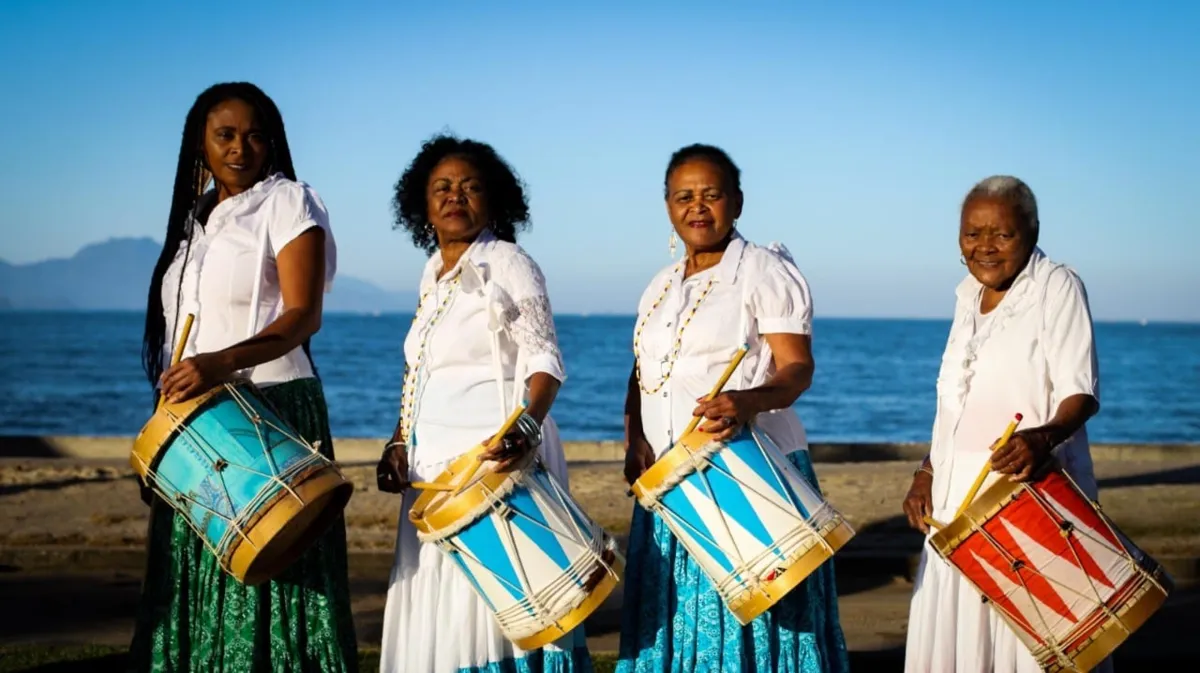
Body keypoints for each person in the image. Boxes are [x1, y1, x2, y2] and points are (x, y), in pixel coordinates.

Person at [130, 81, 358, 672]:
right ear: (199, 143)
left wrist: (219, 363)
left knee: (276, 581)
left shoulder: (288, 201)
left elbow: (303, 315)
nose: (240, 148)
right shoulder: (193, 223)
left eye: (255, 134)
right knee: (193, 576)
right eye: (224, 134)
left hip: (271, 403)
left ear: (273, 141)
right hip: (199, 422)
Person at [617, 143, 850, 673]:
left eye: (711, 195)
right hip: (672, 480)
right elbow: (640, 371)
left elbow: (797, 369)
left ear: (737, 202)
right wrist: (636, 440)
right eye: (683, 197)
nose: (697, 207)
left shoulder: (764, 271)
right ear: (668, 207)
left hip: (749, 473)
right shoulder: (659, 286)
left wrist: (746, 402)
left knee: (760, 626)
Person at [376, 134, 591, 673]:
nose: (455, 196)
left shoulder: (510, 263)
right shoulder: (433, 272)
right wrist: (399, 441)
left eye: (470, 187)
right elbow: (419, 373)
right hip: (433, 478)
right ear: (421, 204)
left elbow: (546, 362)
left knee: (494, 612)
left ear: (493, 200)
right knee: (440, 607)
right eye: (442, 188)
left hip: (493, 466)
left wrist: (524, 428)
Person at [901, 175, 1106, 673]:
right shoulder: (965, 297)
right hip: (954, 510)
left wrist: (1043, 438)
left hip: (1025, 502)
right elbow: (955, 407)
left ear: (1032, 231)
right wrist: (927, 471)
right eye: (972, 234)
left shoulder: (1056, 286)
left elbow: (1081, 391)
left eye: (1002, 234)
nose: (984, 247)